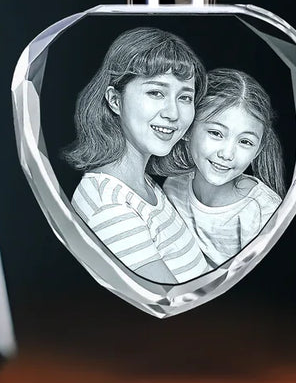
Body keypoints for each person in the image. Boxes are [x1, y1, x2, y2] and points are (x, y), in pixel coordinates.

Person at [63, 27, 211, 285]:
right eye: (156, 92)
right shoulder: (110, 205)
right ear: (114, 100)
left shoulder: (143, 185)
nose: (173, 114)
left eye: (185, 97)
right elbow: (171, 309)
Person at [156, 68, 286, 266]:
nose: (227, 154)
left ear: (257, 151)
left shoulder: (262, 213)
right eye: (216, 133)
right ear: (187, 130)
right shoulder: (174, 186)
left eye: (245, 142)